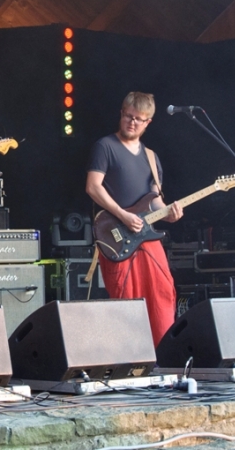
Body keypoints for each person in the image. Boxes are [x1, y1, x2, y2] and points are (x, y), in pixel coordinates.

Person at [86, 91, 182, 348]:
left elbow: (155, 200)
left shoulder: (151, 157)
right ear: (121, 113)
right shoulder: (105, 146)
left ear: (148, 122)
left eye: (139, 119)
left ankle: (163, 355)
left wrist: (170, 213)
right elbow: (93, 187)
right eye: (128, 116)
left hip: (146, 237)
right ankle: (129, 358)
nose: (132, 122)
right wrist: (123, 215)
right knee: (126, 299)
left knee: (162, 293)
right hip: (118, 236)